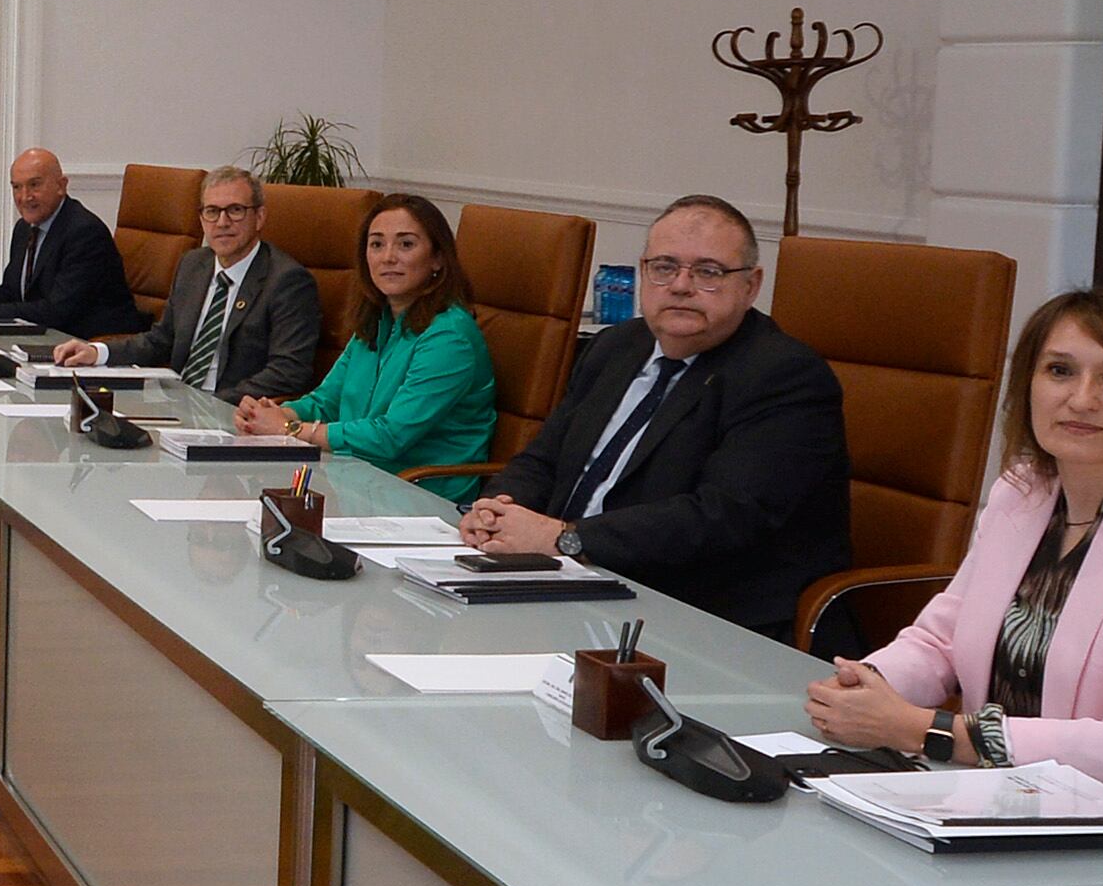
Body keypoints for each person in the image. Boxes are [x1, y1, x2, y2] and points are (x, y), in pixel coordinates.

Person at [805, 288, 1103, 830]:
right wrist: (867, 686)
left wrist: (923, 730)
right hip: (1015, 813)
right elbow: (943, 639)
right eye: (1059, 370)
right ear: (1028, 385)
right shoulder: (1024, 493)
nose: (1082, 399)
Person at [462, 194, 848, 644]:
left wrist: (567, 539)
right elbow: (544, 459)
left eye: (708, 272)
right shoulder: (617, 347)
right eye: (664, 267)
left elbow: (722, 516)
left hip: (699, 617)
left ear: (751, 285)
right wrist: (496, 510)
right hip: (571, 587)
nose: (681, 285)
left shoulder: (783, 375)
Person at [233, 193, 497, 496]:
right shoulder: (377, 321)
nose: (388, 257)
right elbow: (325, 402)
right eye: (377, 244)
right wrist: (273, 415)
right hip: (354, 484)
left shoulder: (450, 337)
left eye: (406, 244)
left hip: (418, 497)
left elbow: (391, 436)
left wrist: (288, 430)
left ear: (437, 258)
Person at [52, 165, 320, 401]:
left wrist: (209, 404)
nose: (223, 222)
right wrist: (96, 352)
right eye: (212, 212)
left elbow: (287, 373)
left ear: (259, 217)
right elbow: (161, 340)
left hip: (231, 415)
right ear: (202, 218)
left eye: (236, 211)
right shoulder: (194, 266)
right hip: (177, 403)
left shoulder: (287, 282)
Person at [0, 148, 144, 339]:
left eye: (34, 185)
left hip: (91, 343)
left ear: (62, 185)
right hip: (44, 339)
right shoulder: (24, 228)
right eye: (17, 187)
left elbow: (57, 311)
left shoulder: (84, 232)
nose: (24, 196)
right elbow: (11, 292)